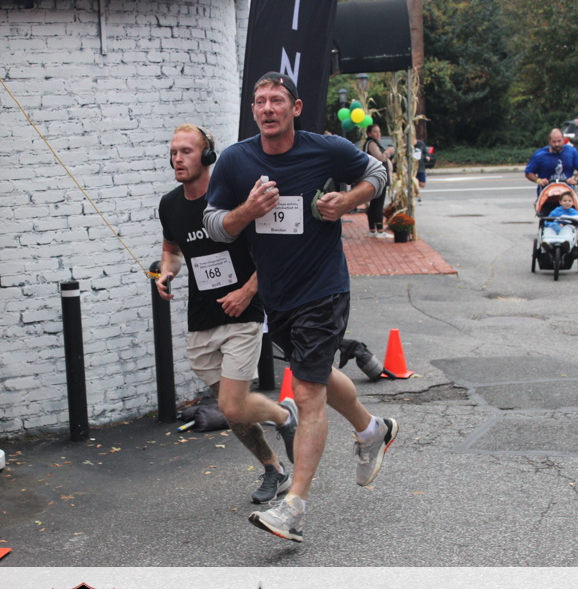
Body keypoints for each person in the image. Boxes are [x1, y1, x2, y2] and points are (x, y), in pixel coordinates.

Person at [203, 72, 398, 543]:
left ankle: (293, 507)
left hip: (323, 288)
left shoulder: (325, 149)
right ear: (254, 110)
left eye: (277, 100)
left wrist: (348, 200)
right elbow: (214, 225)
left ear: (295, 108)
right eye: (260, 101)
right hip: (278, 295)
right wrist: (247, 211)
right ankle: (372, 430)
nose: (267, 108)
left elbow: (378, 172)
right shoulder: (236, 160)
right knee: (317, 374)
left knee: (308, 392)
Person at [156, 123, 299, 504]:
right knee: (234, 411)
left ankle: (285, 417)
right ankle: (273, 468)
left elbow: (274, 250)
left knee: (232, 404)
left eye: (186, 151)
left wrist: (247, 291)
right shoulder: (170, 205)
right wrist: (166, 272)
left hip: (244, 311)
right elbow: (171, 249)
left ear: (207, 156)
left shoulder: (234, 201)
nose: (177, 159)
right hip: (202, 318)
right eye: (173, 153)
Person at [524, 128, 578, 196]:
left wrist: (575, 180)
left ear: (563, 140)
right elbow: (528, 172)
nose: (557, 144)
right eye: (554, 142)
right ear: (549, 141)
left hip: (566, 194)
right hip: (546, 193)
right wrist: (539, 180)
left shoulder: (572, 152)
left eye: (559, 141)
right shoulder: (540, 155)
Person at [362, 124, 393, 239]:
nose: (378, 134)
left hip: (375, 177)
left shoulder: (371, 143)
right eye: (375, 132)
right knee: (378, 204)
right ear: (369, 133)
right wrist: (388, 152)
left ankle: (373, 229)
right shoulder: (371, 143)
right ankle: (379, 230)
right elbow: (380, 157)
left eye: (379, 131)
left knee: (374, 204)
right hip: (377, 178)